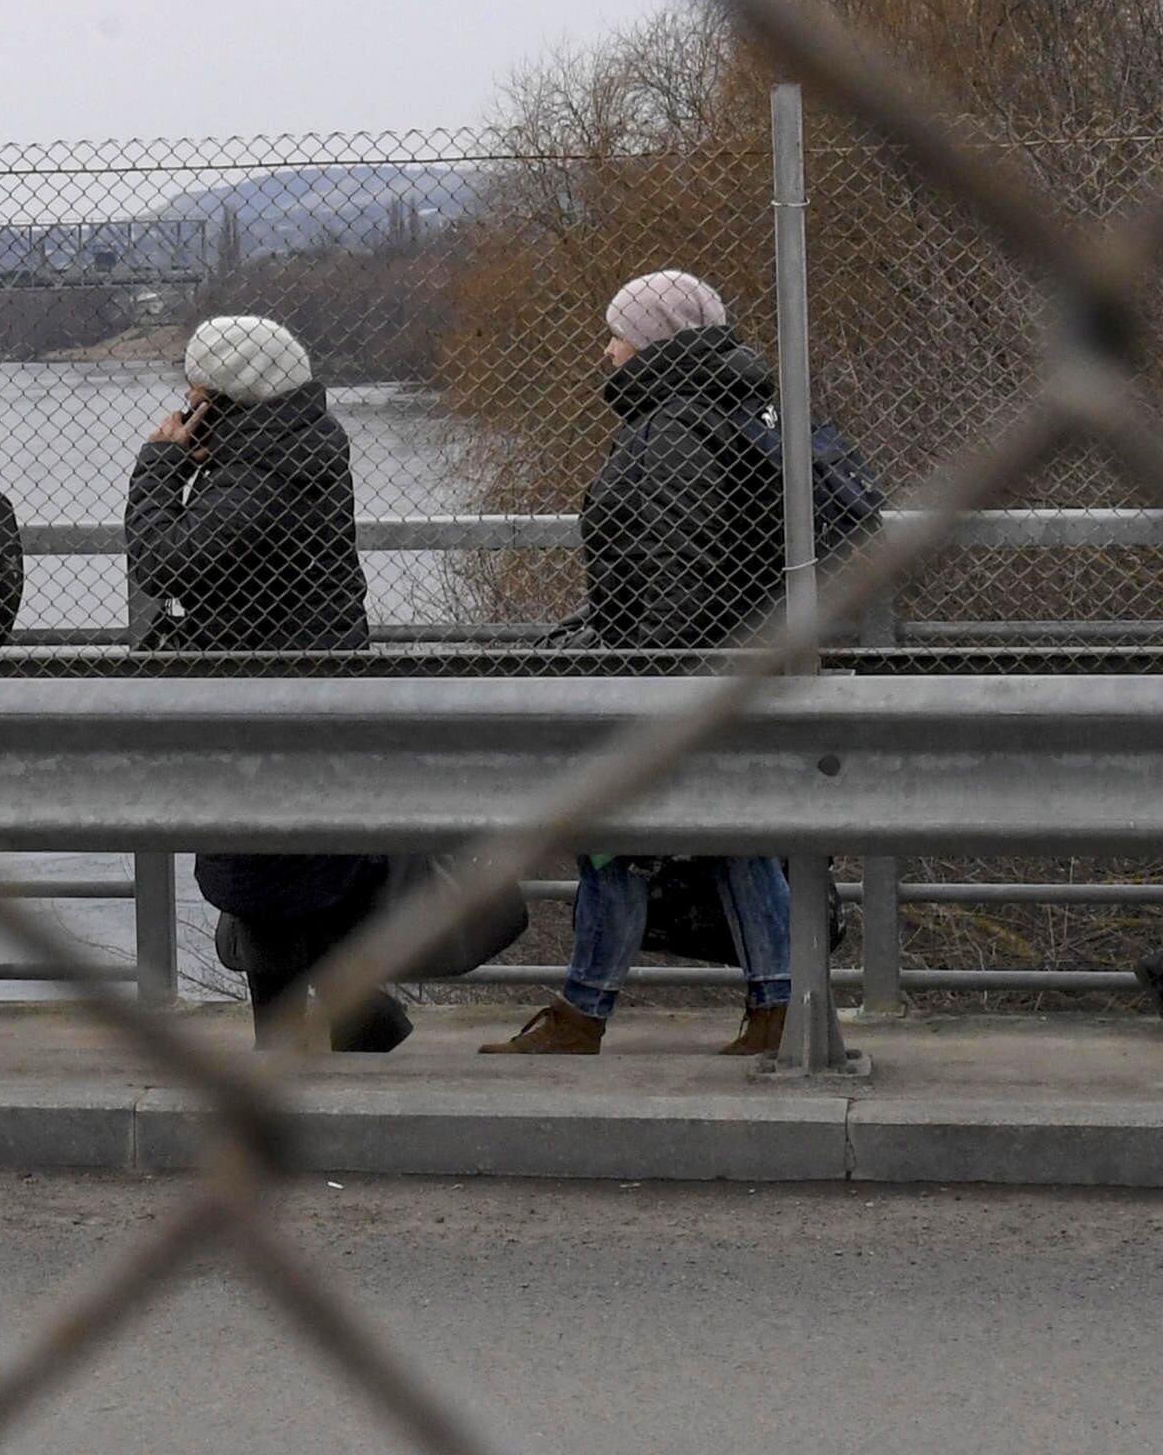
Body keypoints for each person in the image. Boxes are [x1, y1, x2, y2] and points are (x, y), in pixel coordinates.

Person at [484, 270, 796, 1058]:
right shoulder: (731, 409)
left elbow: (673, 568)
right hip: (733, 663)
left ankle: (592, 1013)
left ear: (654, 341)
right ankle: (772, 1006)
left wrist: (642, 674)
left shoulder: (672, 432)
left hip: (669, 673)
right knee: (726, 835)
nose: (608, 349)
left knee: (615, 837)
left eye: (618, 334)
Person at [126, 315, 408, 1053]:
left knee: (263, 875)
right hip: (312, 685)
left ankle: (284, 1045)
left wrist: (159, 464)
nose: (185, 400)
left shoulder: (258, 476)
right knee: (296, 866)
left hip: (262, 693)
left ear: (221, 394)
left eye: (194, 388)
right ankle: (355, 1014)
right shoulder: (303, 446)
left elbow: (164, 562)